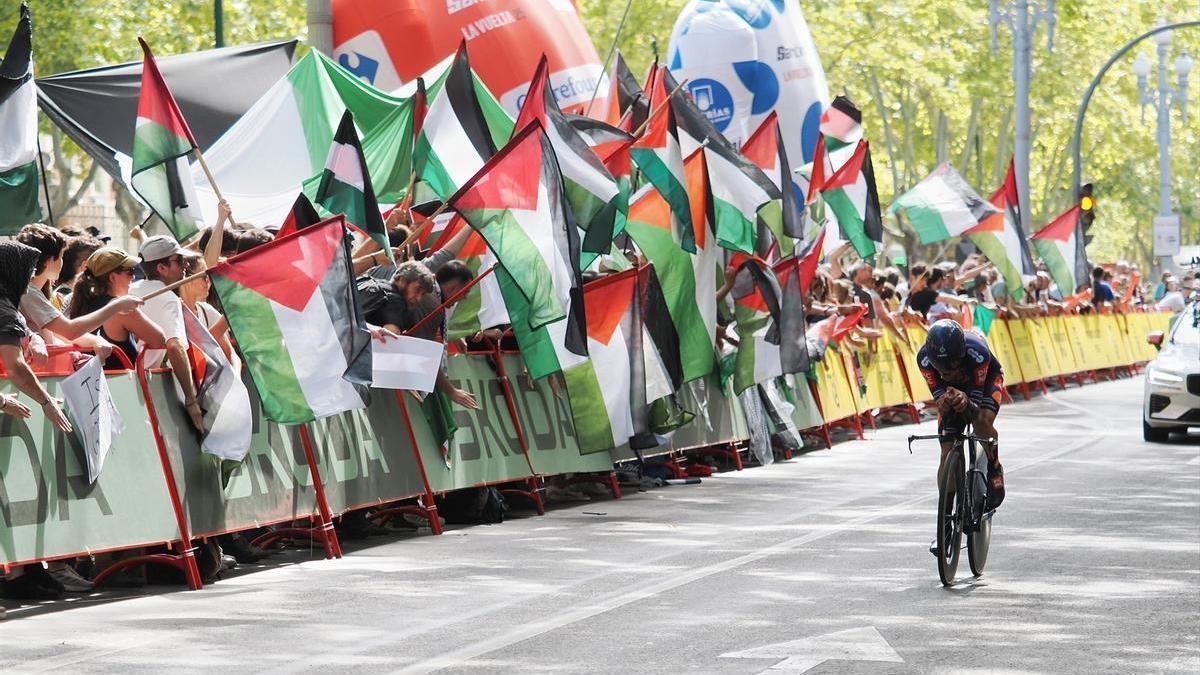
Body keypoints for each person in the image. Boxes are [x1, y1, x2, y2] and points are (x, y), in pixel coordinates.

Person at [70, 247, 203, 431]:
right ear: (112, 277)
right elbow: (159, 339)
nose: (134, 277)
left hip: (92, 402)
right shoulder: (124, 310)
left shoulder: (80, 303)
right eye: (129, 272)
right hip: (122, 404)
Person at [917, 319, 1005, 554]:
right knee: (946, 449)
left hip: (984, 382)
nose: (947, 374)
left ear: (962, 355)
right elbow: (939, 400)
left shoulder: (977, 352)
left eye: (953, 366)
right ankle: (944, 528)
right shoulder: (924, 359)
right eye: (942, 370)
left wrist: (966, 401)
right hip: (955, 392)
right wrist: (945, 403)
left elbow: (974, 405)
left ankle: (995, 467)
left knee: (981, 422)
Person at [15, 224, 142, 360]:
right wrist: (117, 306)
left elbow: (59, 333)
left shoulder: (32, 291)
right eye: (61, 256)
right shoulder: (27, 292)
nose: (63, 262)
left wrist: (93, 341)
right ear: (50, 260)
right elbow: (70, 331)